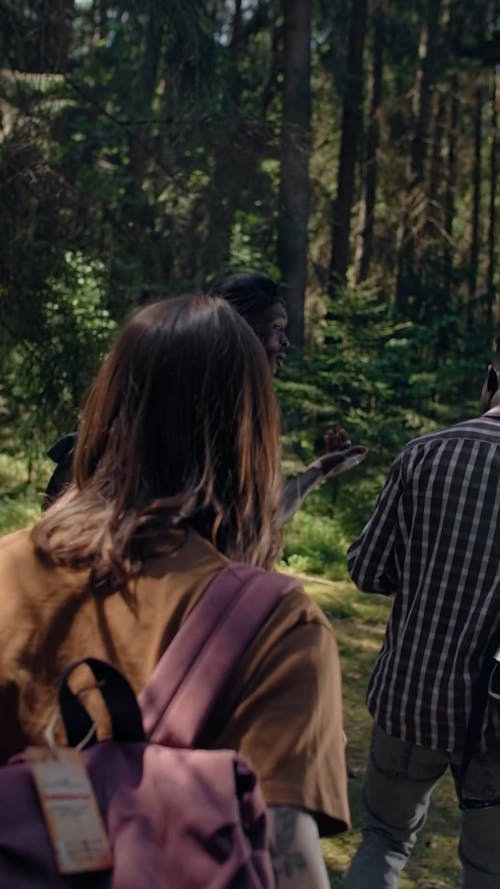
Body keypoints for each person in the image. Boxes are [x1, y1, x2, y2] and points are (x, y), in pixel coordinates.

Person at [0, 295, 350, 887]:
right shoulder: (279, 629)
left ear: (108, 408)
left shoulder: (8, 569)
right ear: (252, 434)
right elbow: (290, 867)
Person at [343, 347, 500, 889]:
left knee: (385, 839)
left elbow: (368, 570)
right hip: (497, 720)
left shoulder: (426, 453)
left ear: (493, 373)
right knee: (489, 870)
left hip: (414, 697)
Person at [43, 272, 366, 515]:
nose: (285, 344)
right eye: (276, 328)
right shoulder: (181, 408)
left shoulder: (236, 415)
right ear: (239, 329)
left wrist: (319, 471)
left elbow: (254, 516)